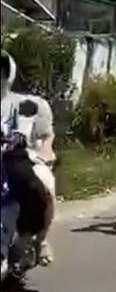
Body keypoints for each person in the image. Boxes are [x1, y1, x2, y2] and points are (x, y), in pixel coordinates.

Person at [1, 49, 57, 265]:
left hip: (24, 159)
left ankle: (41, 239)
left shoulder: (31, 104)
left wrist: (47, 150)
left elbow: (46, 135)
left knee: (45, 186)